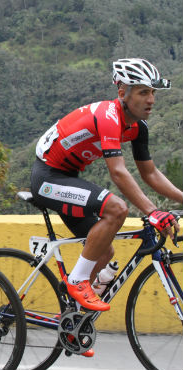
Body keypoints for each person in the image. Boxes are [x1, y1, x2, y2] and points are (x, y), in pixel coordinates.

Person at [31, 58, 182, 313]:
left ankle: (70, 320)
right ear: (123, 92)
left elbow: (151, 173)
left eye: (153, 92)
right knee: (116, 209)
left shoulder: (138, 127)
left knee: (103, 252)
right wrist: (152, 211)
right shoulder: (108, 116)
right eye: (143, 92)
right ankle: (77, 281)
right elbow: (119, 173)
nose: (151, 100)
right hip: (48, 178)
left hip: (68, 177)